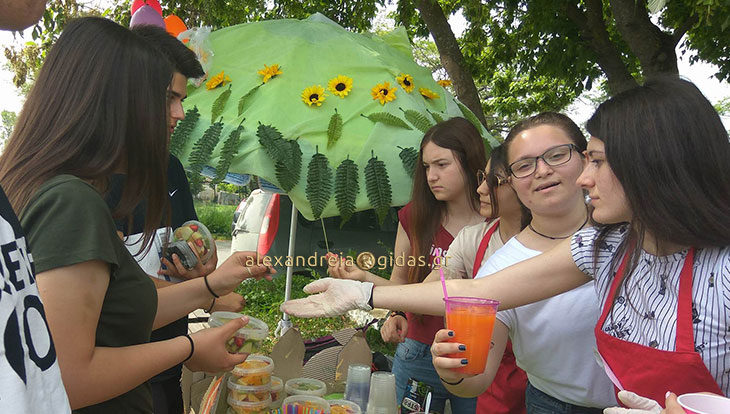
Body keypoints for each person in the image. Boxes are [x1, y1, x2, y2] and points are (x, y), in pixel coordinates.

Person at [282, 77, 730, 409]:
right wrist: (365, 293)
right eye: (523, 167)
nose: (583, 177)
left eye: (585, 159)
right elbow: (478, 292)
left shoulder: (715, 267)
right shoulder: (606, 246)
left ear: (652, 163)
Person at [0, 17, 272, 413]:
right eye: (165, 98)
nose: (178, 114)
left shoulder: (39, 184)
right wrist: (190, 346)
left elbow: (118, 308)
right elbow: (68, 377)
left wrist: (212, 285)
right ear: (112, 99)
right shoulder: (71, 202)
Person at [104, 24, 244, 414]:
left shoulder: (170, 168)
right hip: (115, 376)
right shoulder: (92, 181)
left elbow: (189, 241)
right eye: (169, 98)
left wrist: (204, 267)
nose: (180, 113)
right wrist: (210, 292)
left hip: (167, 365)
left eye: (181, 99)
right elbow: (114, 289)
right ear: (130, 93)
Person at [434, 112, 616, 413]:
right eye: (524, 166)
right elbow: (475, 377)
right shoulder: (499, 269)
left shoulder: (630, 232)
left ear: (587, 160)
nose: (543, 170)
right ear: (512, 183)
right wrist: (452, 374)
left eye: (557, 155)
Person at [332, 117, 486, 413]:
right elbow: (402, 284)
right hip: (419, 351)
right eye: (427, 167)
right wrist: (365, 279)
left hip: (478, 356)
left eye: (442, 165)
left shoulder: (496, 223)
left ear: (470, 162)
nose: (432, 176)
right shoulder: (415, 217)